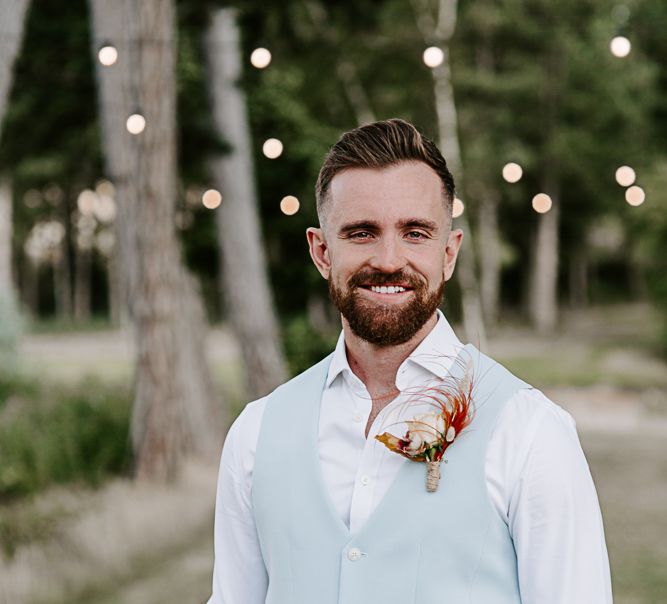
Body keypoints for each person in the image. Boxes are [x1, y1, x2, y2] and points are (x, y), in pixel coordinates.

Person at [207, 118, 612, 604]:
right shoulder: (256, 433)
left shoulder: (531, 432)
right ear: (321, 252)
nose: (388, 260)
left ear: (448, 252)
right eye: (361, 232)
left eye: (415, 232)